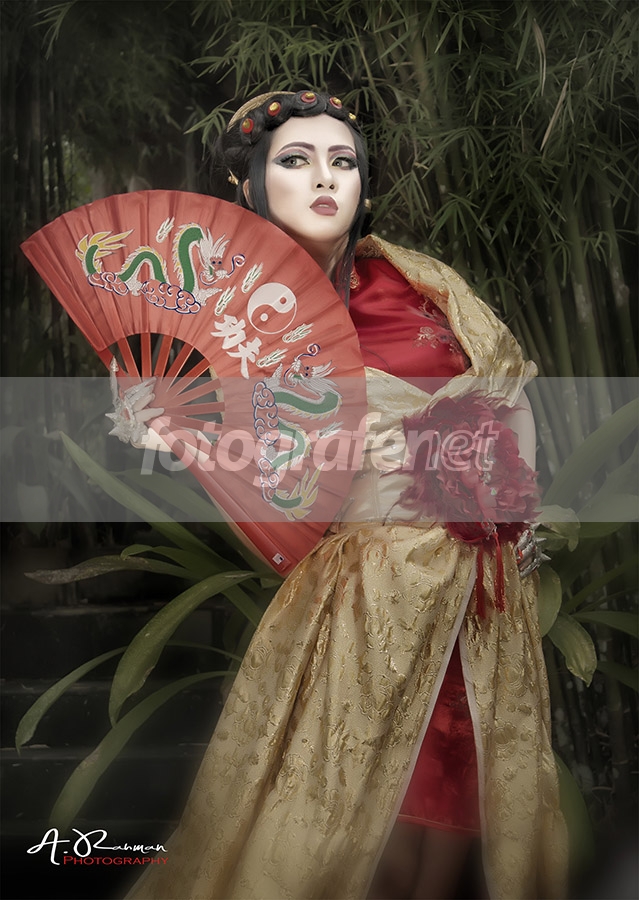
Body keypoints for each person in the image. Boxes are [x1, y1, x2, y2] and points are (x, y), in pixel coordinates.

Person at [124, 91, 567, 900]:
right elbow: (263, 484)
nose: (325, 178)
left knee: (467, 781)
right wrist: (172, 432)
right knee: (364, 796)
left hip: (482, 579)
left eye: (343, 161)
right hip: (369, 590)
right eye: (295, 161)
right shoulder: (232, 319)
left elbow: (506, 387)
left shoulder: (419, 278)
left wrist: (518, 509)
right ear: (248, 184)